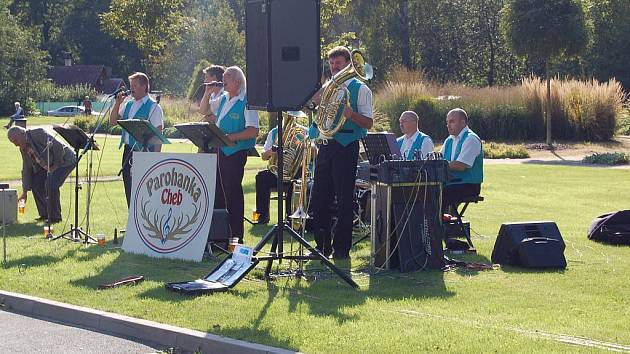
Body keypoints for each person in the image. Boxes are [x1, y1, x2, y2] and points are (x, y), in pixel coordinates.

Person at [309, 46, 373, 260]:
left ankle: (342, 249)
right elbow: (314, 107)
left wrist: (350, 113)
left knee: (345, 198)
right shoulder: (328, 86)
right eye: (332, 63)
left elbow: (368, 122)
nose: (334, 67)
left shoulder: (360, 88)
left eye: (338, 63)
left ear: (348, 64)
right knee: (319, 198)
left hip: (346, 146)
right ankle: (322, 246)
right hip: (326, 145)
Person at [200, 66, 259, 243]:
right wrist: (207, 92)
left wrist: (230, 137)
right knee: (218, 191)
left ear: (238, 81)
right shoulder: (224, 98)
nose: (223, 80)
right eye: (223, 77)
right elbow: (204, 110)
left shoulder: (247, 101)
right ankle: (220, 235)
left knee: (232, 193)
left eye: (227, 77)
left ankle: (236, 236)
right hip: (220, 151)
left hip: (235, 152)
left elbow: (253, 131)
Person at [109, 72, 164, 207]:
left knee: (143, 191)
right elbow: (112, 122)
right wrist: (117, 103)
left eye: (134, 85)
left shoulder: (154, 106)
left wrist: (155, 159)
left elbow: (158, 133)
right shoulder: (128, 105)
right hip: (128, 151)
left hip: (145, 153)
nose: (130, 88)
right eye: (130, 85)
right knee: (129, 187)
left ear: (144, 86)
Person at [7, 126, 76, 223]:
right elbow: (27, 169)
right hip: (48, 165)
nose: (15, 144)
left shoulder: (38, 133)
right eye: (12, 142)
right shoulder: (23, 149)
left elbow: (58, 147)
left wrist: (55, 165)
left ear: (22, 133)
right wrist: (25, 192)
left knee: (51, 184)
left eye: (15, 141)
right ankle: (45, 214)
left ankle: (55, 217)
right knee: (36, 184)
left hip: (65, 160)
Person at [440, 108, 483, 211]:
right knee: (427, 192)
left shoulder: (471, 139)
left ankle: (437, 224)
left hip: (468, 185)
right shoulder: (449, 140)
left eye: (452, 121)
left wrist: (438, 165)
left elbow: (461, 166)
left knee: (435, 195)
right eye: (447, 122)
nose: (448, 125)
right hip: (453, 183)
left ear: (462, 122)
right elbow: (439, 158)